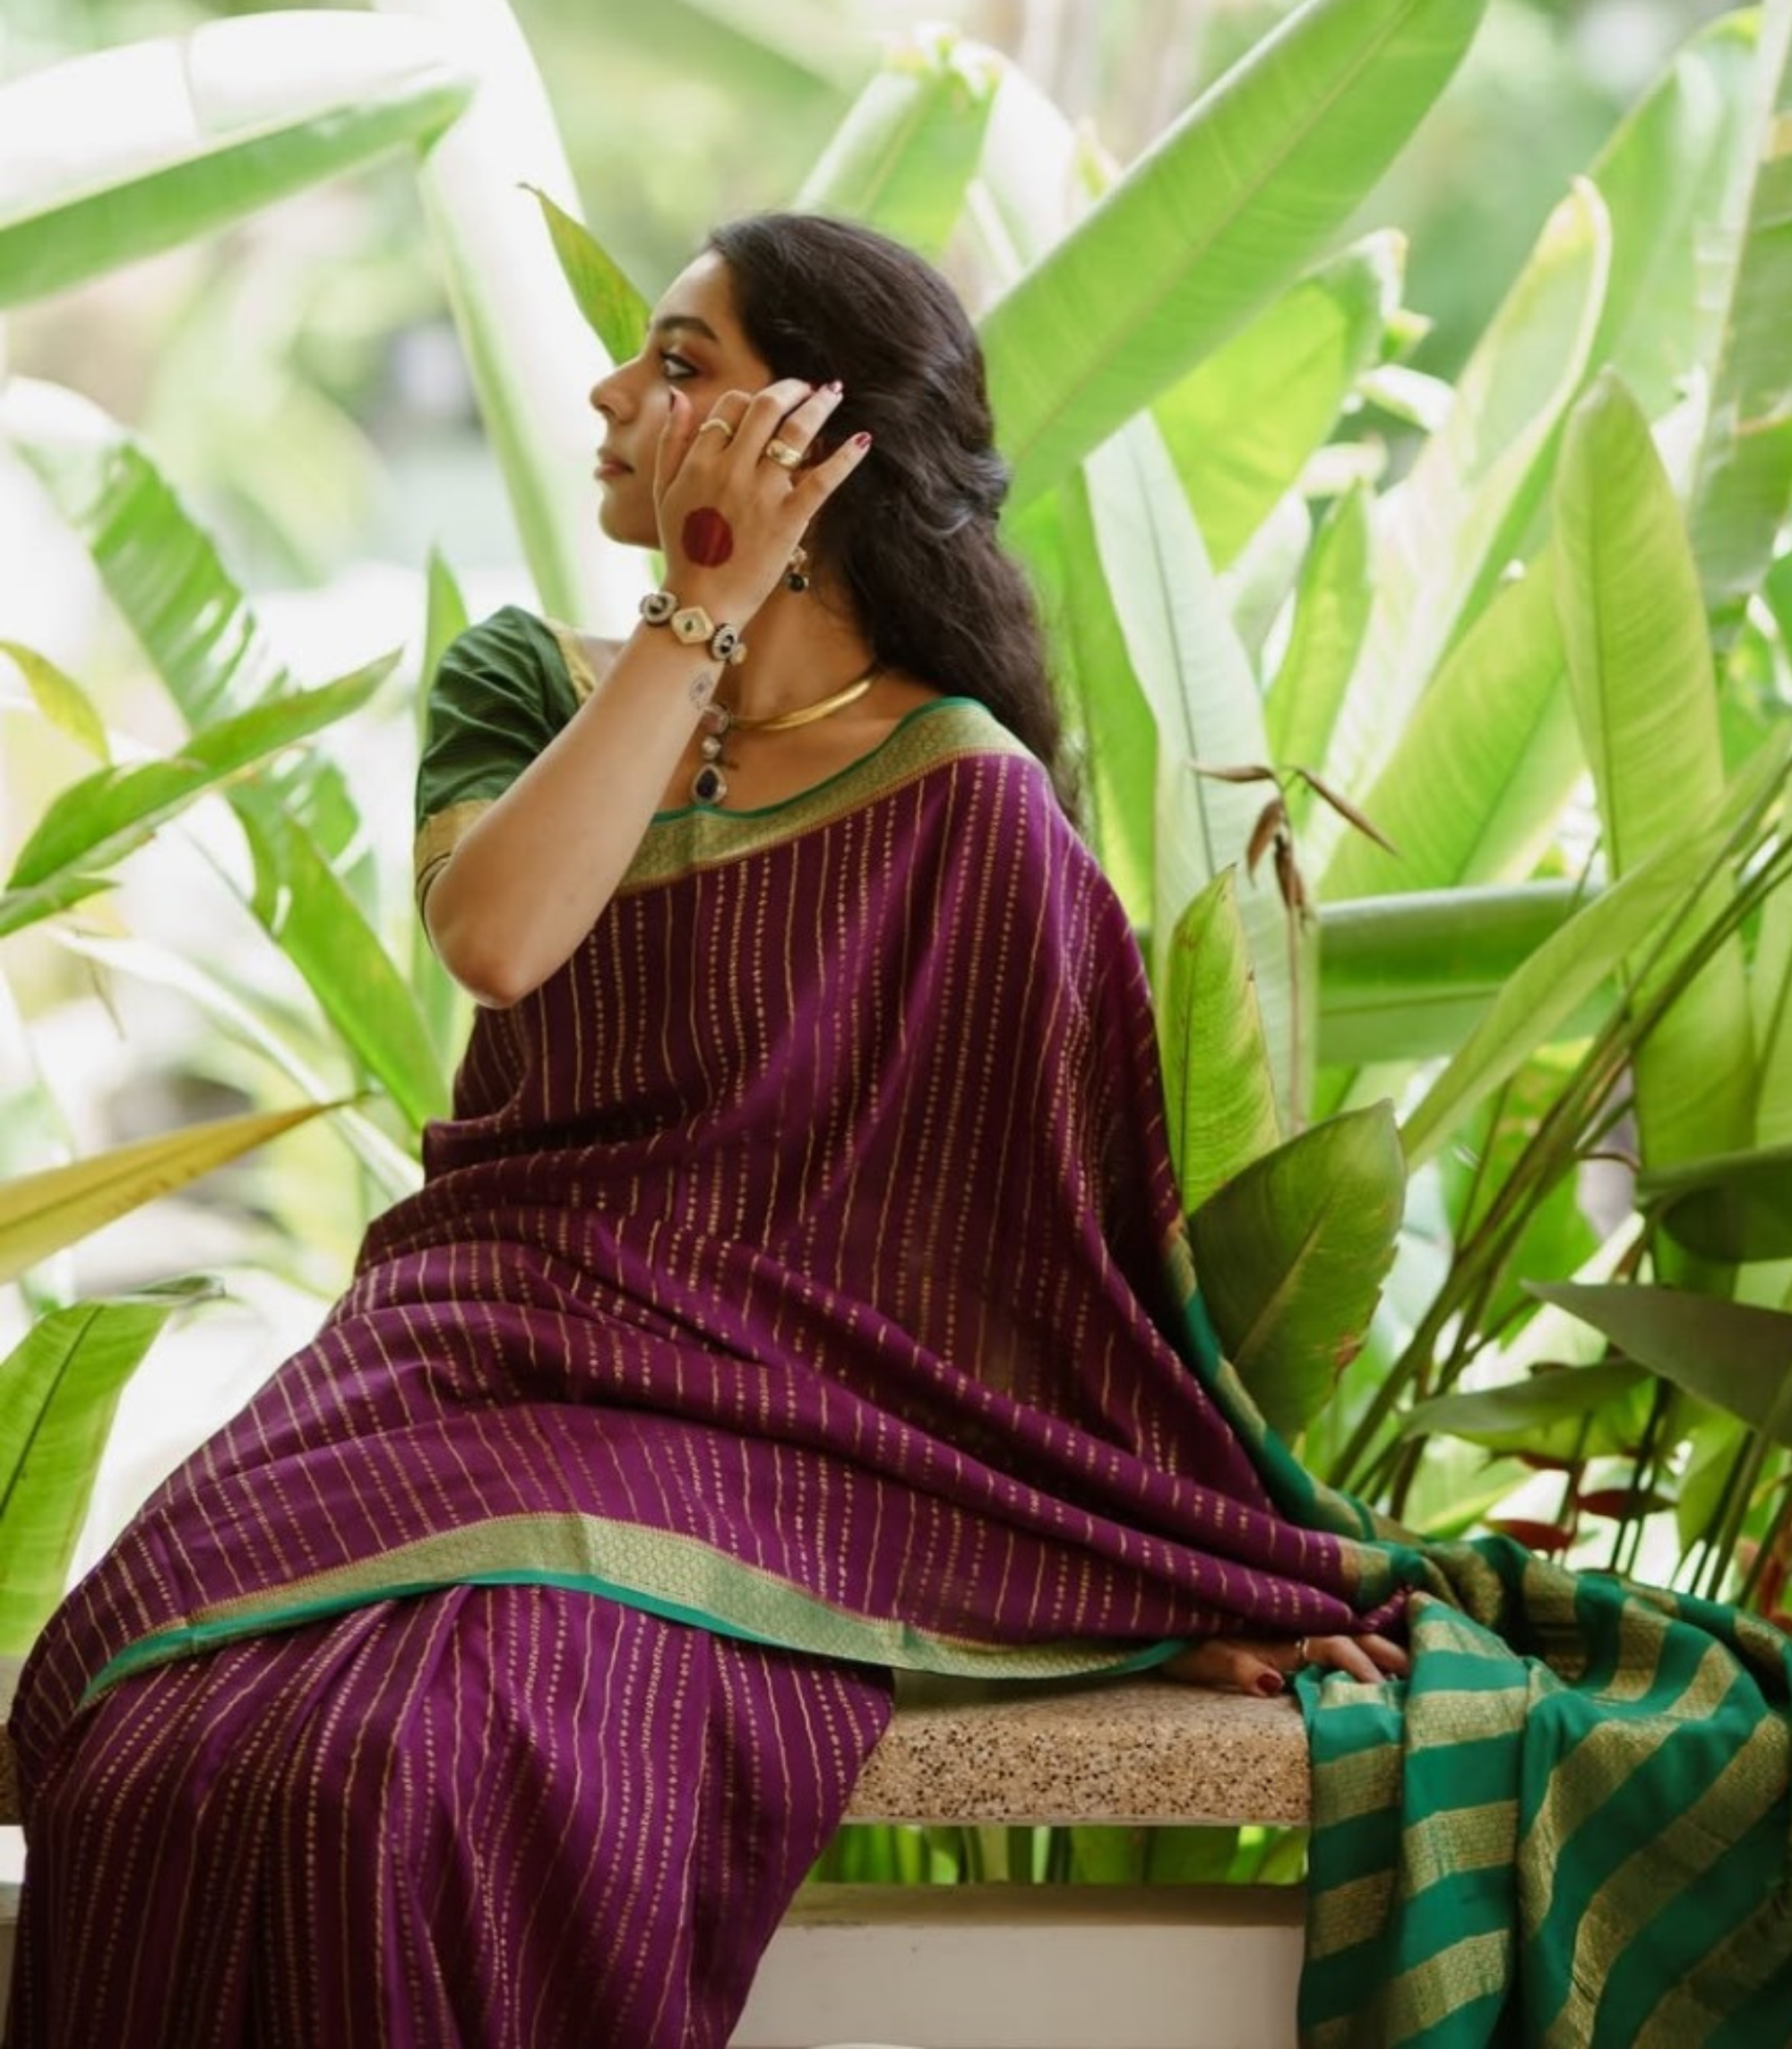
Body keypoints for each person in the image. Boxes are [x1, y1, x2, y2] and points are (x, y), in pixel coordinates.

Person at [4, 214, 1787, 2049]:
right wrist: (695, 616)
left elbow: (1030, 1292)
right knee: (167, 1746)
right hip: (450, 1373)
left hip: (744, 1451)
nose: (615, 395)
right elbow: (500, 935)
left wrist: (1135, 1588)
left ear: (820, 440)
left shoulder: (972, 812)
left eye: (680, 364)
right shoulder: (529, 689)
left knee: (422, 1772)